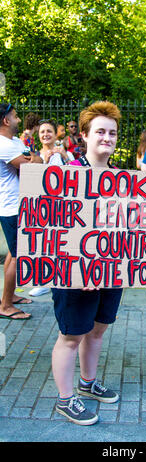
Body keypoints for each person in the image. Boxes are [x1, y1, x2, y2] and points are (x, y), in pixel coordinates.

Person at [52, 101, 123, 425]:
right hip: (74, 274)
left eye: (111, 132)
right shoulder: (65, 175)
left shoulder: (123, 180)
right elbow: (50, 229)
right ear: (84, 135)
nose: (106, 138)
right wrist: (77, 267)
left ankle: (87, 382)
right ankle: (66, 400)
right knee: (71, 336)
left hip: (111, 272)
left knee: (97, 331)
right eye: (100, 132)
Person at [0, 103, 42, 320]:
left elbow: (35, 157)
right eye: (15, 116)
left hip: (17, 206)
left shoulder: (14, 142)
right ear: (6, 120)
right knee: (19, 256)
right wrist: (33, 158)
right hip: (11, 208)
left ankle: (9, 296)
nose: (18, 119)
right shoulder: (4, 145)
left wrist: (33, 157)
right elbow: (33, 165)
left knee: (12, 253)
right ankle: (5, 306)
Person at [29, 120, 69, 297]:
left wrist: (66, 157)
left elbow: (76, 173)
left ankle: (61, 277)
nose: (45, 134)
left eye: (49, 131)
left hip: (61, 205)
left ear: (55, 134)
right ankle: (44, 281)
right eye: (42, 132)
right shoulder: (34, 155)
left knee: (60, 243)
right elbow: (31, 179)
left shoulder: (63, 154)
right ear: (38, 135)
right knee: (43, 244)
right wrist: (43, 161)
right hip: (41, 206)